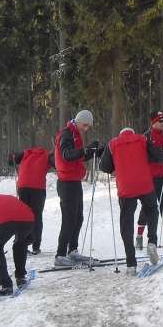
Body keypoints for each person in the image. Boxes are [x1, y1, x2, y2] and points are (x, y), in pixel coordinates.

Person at [100, 127, 163, 275]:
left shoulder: (112, 144)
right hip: (144, 184)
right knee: (152, 209)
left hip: (126, 188)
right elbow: (157, 156)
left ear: (120, 134)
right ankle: (152, 241)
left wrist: (115, 163)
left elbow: (104, 167)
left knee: (126, 222)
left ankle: (131, 264)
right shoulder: (142, 139)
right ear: (132, 133)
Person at [53, 110, 102, 266]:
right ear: (78, 121)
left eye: (88, 126)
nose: (86, 129)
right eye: (85, 125)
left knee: (78, 218)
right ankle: (60, 255)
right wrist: (85, 150)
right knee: (69, 219)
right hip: (66, 183)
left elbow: (78, 157)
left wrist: (94, 152)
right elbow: (67, 154)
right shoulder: (67, 134)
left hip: (74, 181)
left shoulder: (75, 134)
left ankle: (72, 250)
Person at [136, 111, 163, 249]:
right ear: (153, 122)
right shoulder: (146, 137)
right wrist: (162, 154)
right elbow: (150, 155)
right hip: (149, 177)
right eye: (160, 121)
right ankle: (139, 236)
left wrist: (162, 154)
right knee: (147, 206)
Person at [10, 147, 54, 255]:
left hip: (23, 186)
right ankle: (36, 246)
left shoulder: (26, 153)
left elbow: (12, 161)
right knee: (37, 216)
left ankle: (19, 244)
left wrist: (12, 156)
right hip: (38, 188)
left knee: (23, 216)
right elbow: (57, 165)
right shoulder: (46, 155)